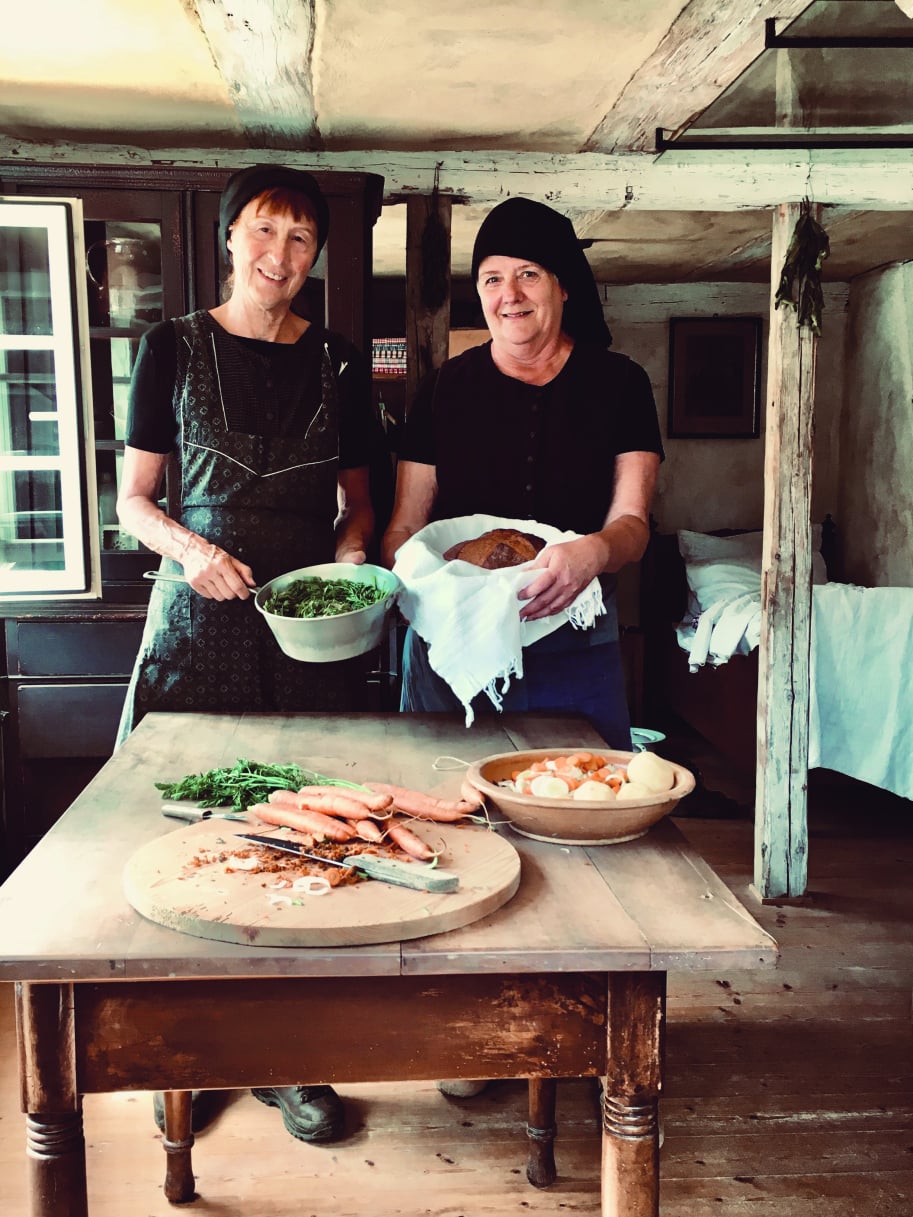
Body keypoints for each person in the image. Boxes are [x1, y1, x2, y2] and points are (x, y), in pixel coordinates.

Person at [116, 163, 389, 1143]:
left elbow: (358, 503)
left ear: (316, 255)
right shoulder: (171, 346)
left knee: (305, 836)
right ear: (231, 238)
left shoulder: (340, 361)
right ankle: (188, 1052)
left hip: (308, 629)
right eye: (264, 231)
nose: (280, 253)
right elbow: (134, 500)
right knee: (191, 831)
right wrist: (192, 551)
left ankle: (289, 1056)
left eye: (300, 238)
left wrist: (351, 559)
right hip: (199, 624)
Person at [382, 196, 664, 752]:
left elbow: (632, 523)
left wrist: (595, 551)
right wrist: (425, 589)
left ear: (563, 286)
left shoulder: (621, 385)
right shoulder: (442, 390)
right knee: (443, 789)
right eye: (492, 279)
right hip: (453, 635)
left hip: (574, 636)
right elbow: (404, 528)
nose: (509, 294)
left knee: (582, 788)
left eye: (528, 274)